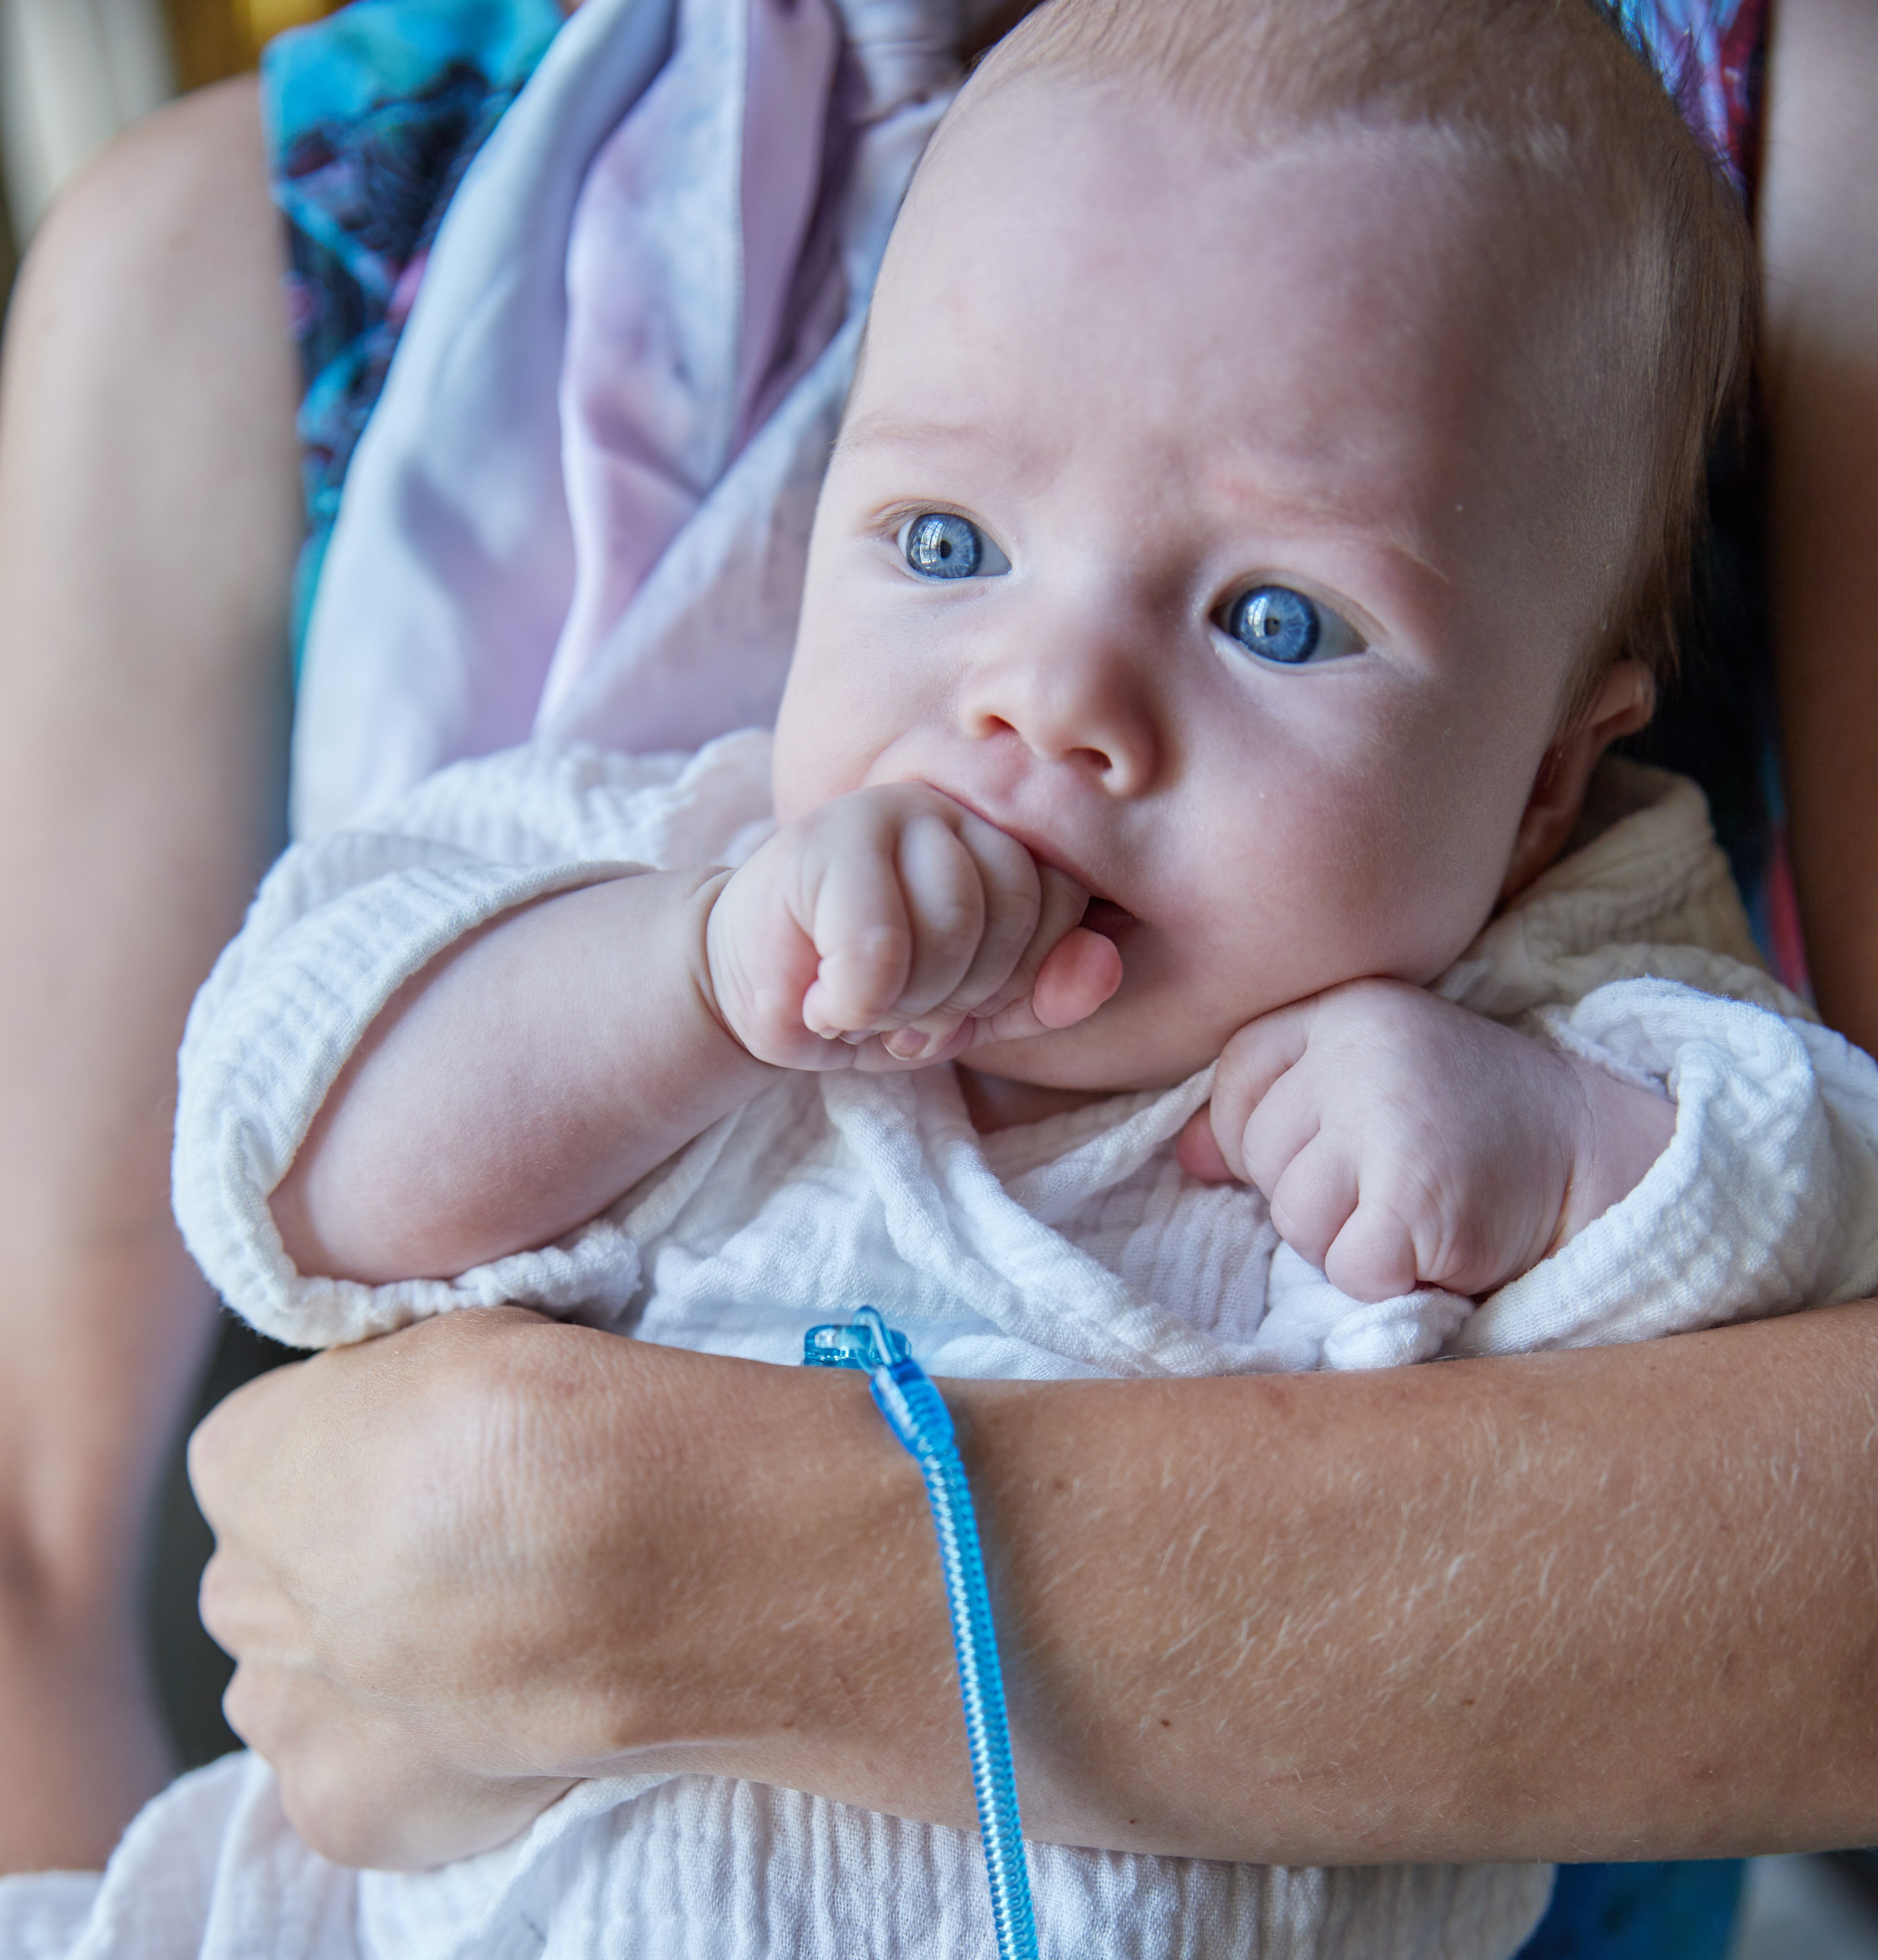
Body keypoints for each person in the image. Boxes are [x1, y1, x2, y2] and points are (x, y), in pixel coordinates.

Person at [0, 0, 1873, 1944]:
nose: (1051, 699)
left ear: (1549, 779)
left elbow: (1815, 1209)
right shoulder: (689, 870)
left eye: (1275, 618)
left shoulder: (1549, 993)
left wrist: (1560, 1148)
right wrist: (687, 983)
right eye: (951, 541)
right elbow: (294, 1152)